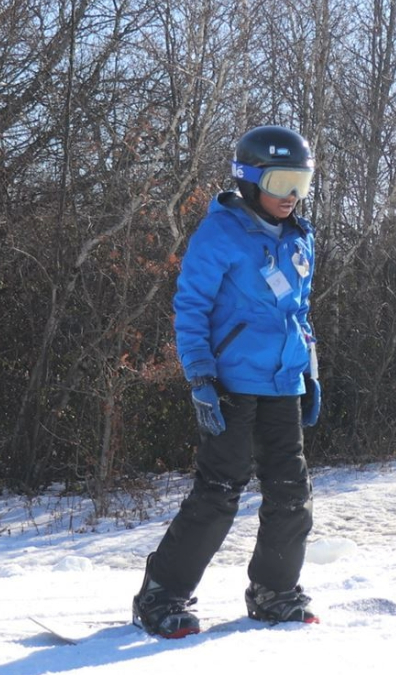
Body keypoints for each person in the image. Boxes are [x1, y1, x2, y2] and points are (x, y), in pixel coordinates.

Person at [131, 125, 324, 638]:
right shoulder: (220, 234)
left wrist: (309, 369)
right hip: (230, 384)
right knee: (220, 490)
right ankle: (160, 595)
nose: (291, 195)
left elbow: (299, 312)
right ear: (249, 179)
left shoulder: (300, 238)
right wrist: (200, 376)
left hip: (283, 383)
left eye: (301, 183)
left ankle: (274, 591)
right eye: (281, 182)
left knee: (291, 492)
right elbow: (191, 308)